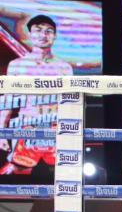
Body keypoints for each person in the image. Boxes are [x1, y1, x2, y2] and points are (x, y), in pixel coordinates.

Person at [0, 14, 73, 176]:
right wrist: (2, 133)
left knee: (64, 174)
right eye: (38, 30)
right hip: (27, 128)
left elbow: (70, 105)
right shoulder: (17, 66)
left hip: (56, 129)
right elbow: (8, 101)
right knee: (19, 174)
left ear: (55, 36)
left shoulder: (64, 68)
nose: (43, 35)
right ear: (30, 34)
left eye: (48, 31)